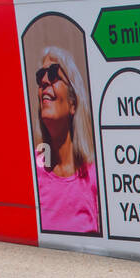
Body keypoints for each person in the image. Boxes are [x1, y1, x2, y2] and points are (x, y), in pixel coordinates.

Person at [33, 48, 99, 235]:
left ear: (73, 103)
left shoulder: (95, 178)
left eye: (53, 73)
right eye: (40, 76)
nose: (44, 81)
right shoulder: (30, 174)